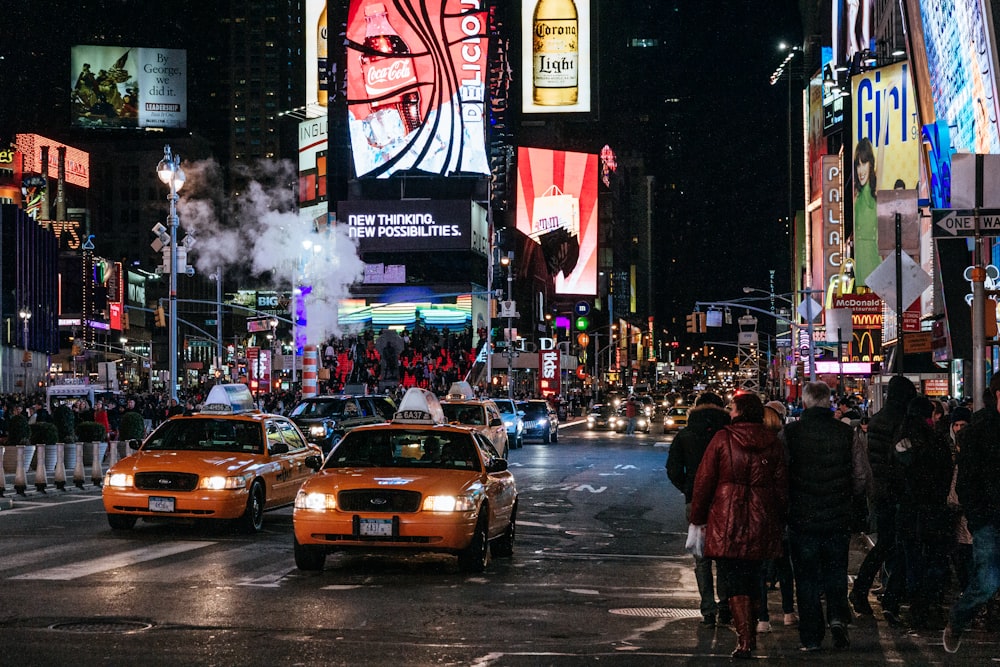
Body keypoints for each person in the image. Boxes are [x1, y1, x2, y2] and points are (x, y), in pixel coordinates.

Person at [690, 393, 788, 659]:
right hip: (761, 519)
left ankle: (745, 640)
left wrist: (697, 518)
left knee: (733, 580)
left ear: (740, 412)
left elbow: (704, 481)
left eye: (733, 408)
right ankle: (752, 633)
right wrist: (778, 518)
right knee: (755, 577)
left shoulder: (723, 439)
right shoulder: (773, 443)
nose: (730, 412)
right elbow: (781, 488)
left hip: (727, 519)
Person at [782, 381, 857, 651]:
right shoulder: (846, 433)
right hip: (837, 515)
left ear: (805, 402)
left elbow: (782, 473)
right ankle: (837, 618)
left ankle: (812, 636)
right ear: (829, 401)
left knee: (806, 578)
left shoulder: (791, 433)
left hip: (802, 517)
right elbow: (861, 476)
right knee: (836, 571)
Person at [850, 375, 917, 621]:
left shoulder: (878, 419)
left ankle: (862, 591)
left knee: (886, 544)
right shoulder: (901, 422)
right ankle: (889, 599)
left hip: (880, 490)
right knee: (898, 546)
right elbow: (903, 459)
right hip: (898, 492)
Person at [943, 375, 1000, 653]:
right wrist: (978, 518)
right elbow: (965, 482)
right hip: (988, 519)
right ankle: (958, 617)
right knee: (988, 580)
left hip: (985, 517)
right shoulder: (978, 432)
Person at [666, 391, 731, 627]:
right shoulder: (729, 434)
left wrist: (689, 489)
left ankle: (708, 609)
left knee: (701, 558)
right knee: (724, 555)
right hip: (726, 500)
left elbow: (673, 469)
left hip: (696, 500)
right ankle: (725, 606)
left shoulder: (686, 435)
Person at [893, 395, 954, 630]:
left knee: (913, 560)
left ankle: (917, 608)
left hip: (909, 509)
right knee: (934, 559)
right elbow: (945, 474)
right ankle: (933, 604)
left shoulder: (901, 440)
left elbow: (895, 474)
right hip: (934, 510)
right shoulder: (936, 441)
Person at [757, 401, 797, 634]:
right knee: (785, 565)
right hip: (782, 511)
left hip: (761, 511)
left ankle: (762, 617)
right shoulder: (785, 442)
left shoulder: (755, 442)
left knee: (761, 568)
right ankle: (788, 612)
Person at [946, 406, 973, 592]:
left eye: (962, 424)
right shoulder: (949, 447)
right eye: (955, 424)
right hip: (957, 513)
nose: (958, 428)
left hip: (964, 511)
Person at [852, 136, 879, 285]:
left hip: (873, 264)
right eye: (858, 165)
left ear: (871, 164)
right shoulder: (859, 197)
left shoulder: (873, 195)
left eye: (864, 163)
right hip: (861, 269)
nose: (860, 170)